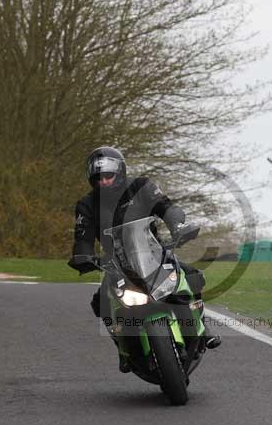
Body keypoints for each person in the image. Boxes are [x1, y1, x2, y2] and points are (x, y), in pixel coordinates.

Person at [68, 146, 221, 372]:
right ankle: (124, 348)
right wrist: (82, 255)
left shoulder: (140, 187)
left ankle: (201, 326)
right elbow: (83, 236)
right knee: (101, 302)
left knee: (190, 275)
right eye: (98, 178)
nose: (104, 182)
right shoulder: (87, 205)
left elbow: (166, 207)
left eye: (109, 176)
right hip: (117, 263)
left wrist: (177, 226)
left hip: (152, 253)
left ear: (120, 172)